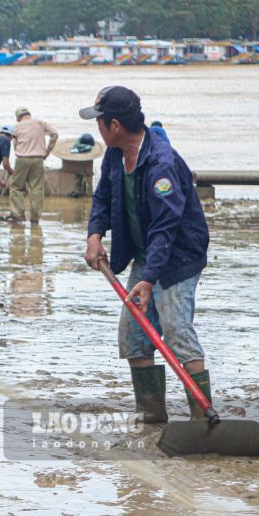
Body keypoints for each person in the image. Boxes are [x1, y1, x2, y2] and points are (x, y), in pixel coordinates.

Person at [81, 86, 211, 425]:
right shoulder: (114, 154)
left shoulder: (161, 164)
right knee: (134, 336)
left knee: (176, 331)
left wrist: (149, 279)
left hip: (176, 260)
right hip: (146, 258)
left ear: (114, 125)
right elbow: (103, 198)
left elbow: (166, 228)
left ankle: (202, 419)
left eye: (99, 123)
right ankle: (152, 414)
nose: (97, 130)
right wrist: (94, 235)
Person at [8, 106, 57, 224]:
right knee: (37, 189)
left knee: (16, 187)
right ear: (28, 114)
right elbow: (54, 134)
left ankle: (18, 216)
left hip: (22, 159)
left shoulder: (17, 127)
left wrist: (19, 151)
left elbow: (15, 144)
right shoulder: (40, 123)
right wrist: (47, 151)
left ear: (19, 117)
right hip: (38, 159)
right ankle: (35, 218)